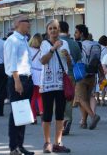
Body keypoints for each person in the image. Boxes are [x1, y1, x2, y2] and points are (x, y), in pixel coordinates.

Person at [4, 15, 35, 155]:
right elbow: (12, 63)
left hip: (27, 79)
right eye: (26, 21)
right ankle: (13, 147)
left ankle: (20, 145)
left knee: (23, 115)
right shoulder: (13, 40)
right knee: (16, 114)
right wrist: (17, 81)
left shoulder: (24, 40)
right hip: (18, 79)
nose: (29, 24)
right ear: (17, 23)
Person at [40, 19, 72, 153]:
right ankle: (47, 143)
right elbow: (43, 61)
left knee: (60, 114)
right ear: (47, 31)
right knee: (47, 114)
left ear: (59, 30)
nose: (53, 31)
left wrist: (68, 57)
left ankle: (58, 142)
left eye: (55, 28)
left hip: (61, 83)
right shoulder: (44, 44)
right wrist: (53, 49)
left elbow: (69, 64)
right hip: (47, 84)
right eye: (50, 28)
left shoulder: (65, 43)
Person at [73, 24, 102, 130]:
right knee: (85, 99)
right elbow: (98, 61)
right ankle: (84, 122)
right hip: (92, 74)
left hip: (81, 74)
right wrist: (102, 75)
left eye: (76, 32)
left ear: (81, 34)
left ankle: (93, 116)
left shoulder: (78, 45)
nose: (74, 34)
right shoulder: (95, 44)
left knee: (81, 99)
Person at [58, 21, 82, 135]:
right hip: (71, 75)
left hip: (56, 75)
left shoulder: (53, 42)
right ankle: (67, 120)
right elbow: (78, 59)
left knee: (56, 99)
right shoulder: (74, 43)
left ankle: (60, 121)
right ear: (68, 30)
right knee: (68, 98)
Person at [29, 33, 44, 125]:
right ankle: (42, 113)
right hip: (41, 74)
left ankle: (33, 117)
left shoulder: (29, 50)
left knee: (32, 97)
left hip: (32, 74)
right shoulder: (42, 50)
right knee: (40, 96)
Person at [97, 35, 107, 106]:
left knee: (97, 83)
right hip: (103, 67)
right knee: (104, 83)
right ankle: (103, 100)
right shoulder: (105, 49)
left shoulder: (97, 47)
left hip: (96, 67)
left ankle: (97, 99)